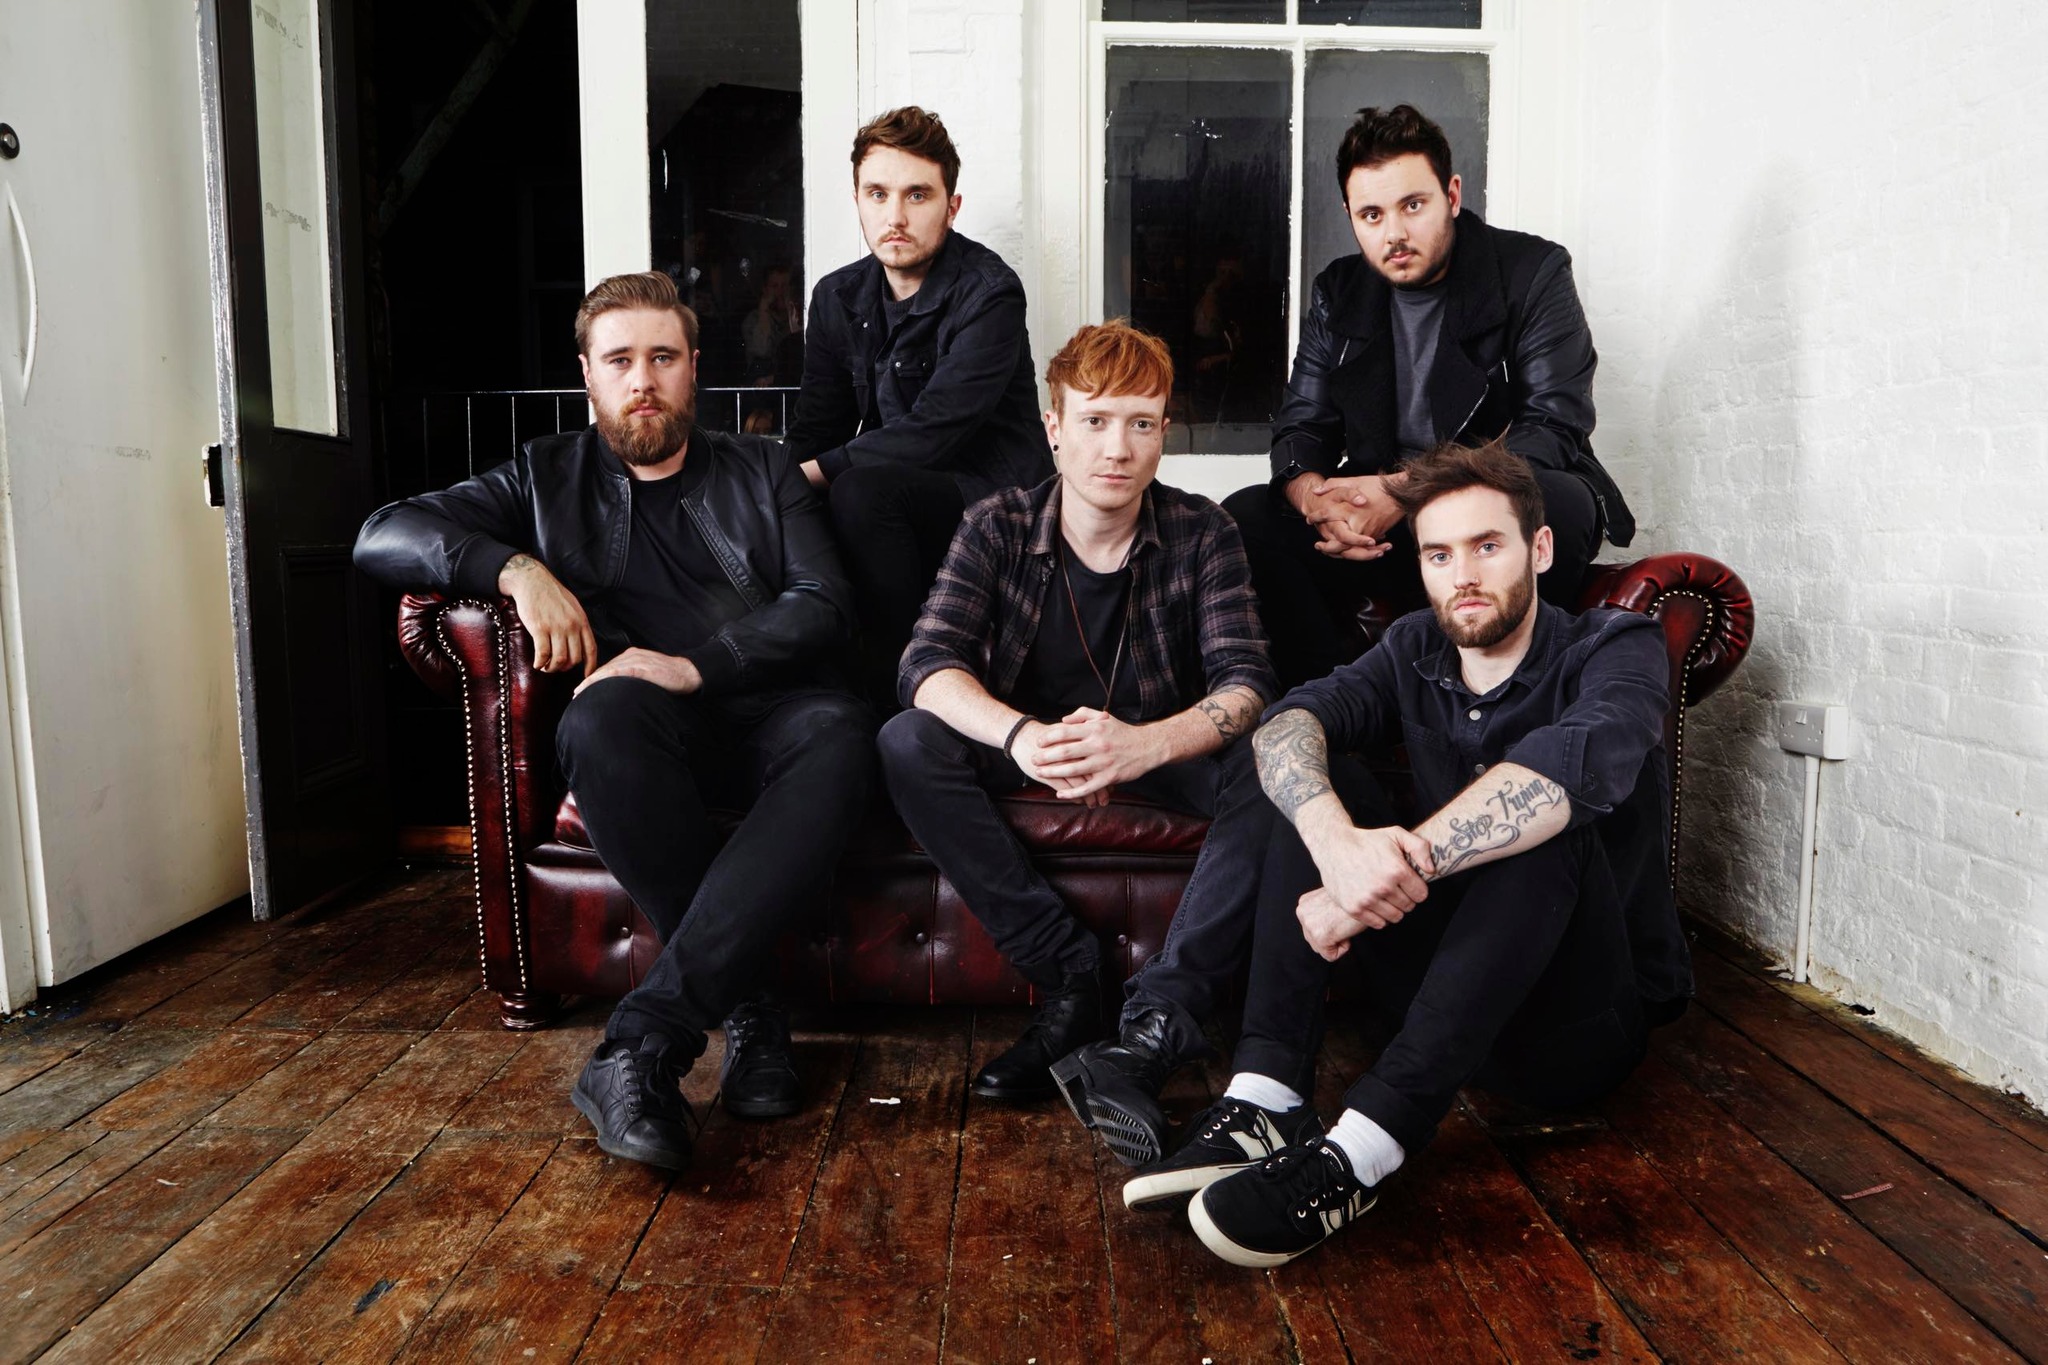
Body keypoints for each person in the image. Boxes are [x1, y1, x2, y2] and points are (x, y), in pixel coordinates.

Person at [354, 272, 873, 1171]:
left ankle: (643, 1041)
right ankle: (751, 1007)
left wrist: (697, 662)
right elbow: (382, 533)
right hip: (644, 738)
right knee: (598, 719)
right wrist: (515, 568)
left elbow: (824, 602)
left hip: (773, 715)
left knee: (846, 735)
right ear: (587, 374)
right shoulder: (544, 475)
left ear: (694, 368)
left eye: (663, 358)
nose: (644, 380)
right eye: (621, 360)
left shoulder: (763, 468)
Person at [1121, 439, 1682, 1267]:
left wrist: (1369, 882)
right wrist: (1334, 843)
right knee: (1315, 776)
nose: (1464, 575)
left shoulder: (1615, 645)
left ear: (1539, 548)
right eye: (1439, 553)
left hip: (1572, 1026)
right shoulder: (1415, 645)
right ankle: (1267, 1098)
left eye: (1487, 546)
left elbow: (1574, 768)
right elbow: (1284, 724)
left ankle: (1363, 1150)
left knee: (1539, 819)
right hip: (1444, 1000)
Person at [877, 321, 1279, 1103]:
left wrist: (1142, 746)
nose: (1117, 449)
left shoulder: (1205, 531)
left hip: (1156, 748)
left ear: (1165, 433)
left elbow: (1248, 682)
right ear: (1055, 428)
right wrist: (1021, 737)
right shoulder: (995, 524)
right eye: (1095, 421)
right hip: (1030, 745)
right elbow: (926, 663)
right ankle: (1071, 976)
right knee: (907, 740)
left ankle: (1159, 1014)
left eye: (1140, 424)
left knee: (1275, 761)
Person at [1222, 104, 1636, 687]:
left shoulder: (1531, 271)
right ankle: (1324, 702)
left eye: (1412, 205)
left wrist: (1406, 490)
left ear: (1452, 195)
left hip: (1492, 495)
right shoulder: (1338, 291)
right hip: (1384, 524)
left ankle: (1501, 702)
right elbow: (1302, 429)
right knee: (1246, 516)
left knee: (1556, 504)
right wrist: (1317, 500)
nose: (1394, 233)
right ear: (1351, 216)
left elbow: (1552, 426)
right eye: (1371, 214)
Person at [785, 106, 1050, 704]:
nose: (895, 217)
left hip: (997, 500)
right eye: (877, 194)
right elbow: (816, 425)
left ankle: (906, 689)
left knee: (858, 491)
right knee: (796, 502)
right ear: (857, 199)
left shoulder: (990, 292)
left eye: (917, 195)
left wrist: (811, 475)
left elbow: (935, 430)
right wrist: (774, 487)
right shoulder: (837, 296)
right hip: (900, 497)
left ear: (952, 207)